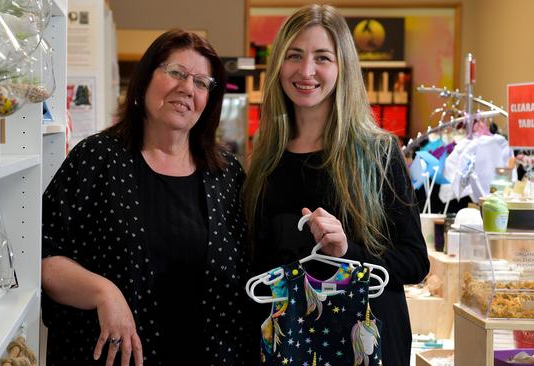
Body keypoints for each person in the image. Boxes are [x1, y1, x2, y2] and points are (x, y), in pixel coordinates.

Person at [41, 29, 254, 365]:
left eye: (201, 82)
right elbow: (43, 252)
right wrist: (103, 291)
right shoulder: (96, 158)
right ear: (144, 79)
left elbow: (247, 275)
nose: (187, 88)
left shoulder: (226, 175)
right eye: (176, 73)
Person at [242, 5, 429, 366]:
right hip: (288, 348)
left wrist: (349, 255)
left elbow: (415, 260)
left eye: (322, 57)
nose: (306, 70)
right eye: (294, 56)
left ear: (343, 68)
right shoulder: (264, 158)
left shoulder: (378, 152)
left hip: (367, 345)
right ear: (278, 64)